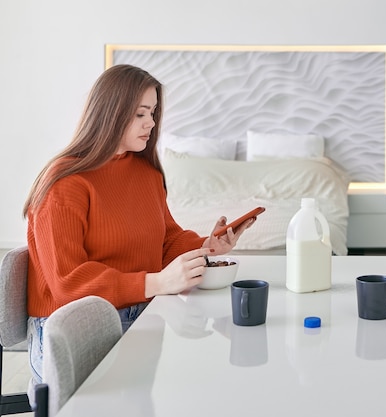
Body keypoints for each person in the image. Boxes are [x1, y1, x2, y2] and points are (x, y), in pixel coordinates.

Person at [23, 64, 256, 388]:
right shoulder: (65, 184)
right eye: (140, 114)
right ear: (110, 113)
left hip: (141, 311)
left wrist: (206, 246)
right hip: (75, 327)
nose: (151, 123)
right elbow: (67, 284)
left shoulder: (147, 174)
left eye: (154, 113)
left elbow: (164, 240)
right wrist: (156, 283)